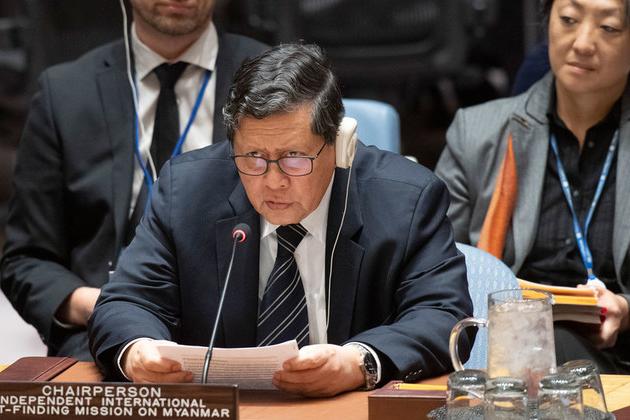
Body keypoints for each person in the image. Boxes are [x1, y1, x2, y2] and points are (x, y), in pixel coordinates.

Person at [88, 43, 474, 396]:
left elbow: (443, 315)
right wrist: (137, 351)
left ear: (339, 144)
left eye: (294, 158)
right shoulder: (186, 192)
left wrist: (359, 362)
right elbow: (125, 301)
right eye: (253, 157)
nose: (273, 181)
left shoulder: (407, 199)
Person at [0, 0, 267, 360]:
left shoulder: (275, 80)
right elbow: (27, 259)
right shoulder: (65, 93)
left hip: (243, 340)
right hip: (99, 341)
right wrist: (106, 309)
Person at [436, 0, 630, 373]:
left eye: (608, 28)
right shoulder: (476, 133)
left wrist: (624, 309)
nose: (582, 43)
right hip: (505, 350)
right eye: (568, 20)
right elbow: (434, 266)